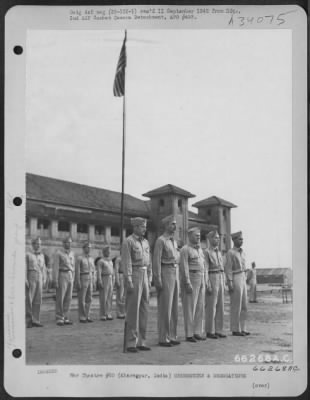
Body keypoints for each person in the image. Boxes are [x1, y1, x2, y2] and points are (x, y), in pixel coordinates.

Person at [121, 217, 152, 352]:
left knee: (144, 309)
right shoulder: (128, 241)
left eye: (145, 226)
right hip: (134, 274)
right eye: (142, 226)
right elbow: (127, 262)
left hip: (144, 275)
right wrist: (128, 280)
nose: (144, 229)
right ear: (135, 227)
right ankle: (130, 343)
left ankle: (142, 341)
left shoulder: (145, 242)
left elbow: (148, 262)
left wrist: (150, 278)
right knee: (133, 310)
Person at [153, 215, 180, 347]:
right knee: (165, 307)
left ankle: (172, 335)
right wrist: (157, 278)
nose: (175, 226)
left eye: (175, 224)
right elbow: (156, 260)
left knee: (174, 307)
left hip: (175, 272)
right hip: (165, 272)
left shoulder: (174, 242)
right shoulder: (161, 241)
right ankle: (163, 337)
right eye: (172, 224)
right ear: (166, 226)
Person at [179, 227, 208, 342]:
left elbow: (204, 265)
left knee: (200, 307)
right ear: (190, 236)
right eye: (196, 235)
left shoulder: (200, 250)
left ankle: (197, 331)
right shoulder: (185, 249)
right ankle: (189, 334)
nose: (199, 237)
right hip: (191, 277)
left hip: (200, 278)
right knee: (190, 307)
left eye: (199, 235)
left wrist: (205, 279)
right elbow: (184, 266)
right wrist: (187, 282)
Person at [224, 231, 250, 336]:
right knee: (236, 304)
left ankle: (243, 328)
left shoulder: (243, 252)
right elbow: (228, 268)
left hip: (243, 276)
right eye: (239, 239)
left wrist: (246, 278)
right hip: (235, 277)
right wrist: (229, 282)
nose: (241, 241)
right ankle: (235, 329)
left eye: (242, 239)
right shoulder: (230, 253)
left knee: (244, 305)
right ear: (234, 240)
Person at [204, 231, 227, 339]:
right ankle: (210, 330)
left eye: (218, 238)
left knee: (220, 305)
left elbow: (223, 267)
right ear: (210, 239)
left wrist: (225, 280)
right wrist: (207, 283)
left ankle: (219, 329)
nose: (217, 240)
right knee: (211, 305)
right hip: (212, 276)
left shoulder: (219, 252)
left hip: (220, 276)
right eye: (215, 238)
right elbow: (206, 269)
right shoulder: (207, 252)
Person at [54, 236, 75, 326]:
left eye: (70, 242)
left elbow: (73, 266)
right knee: (60, 297)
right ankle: (59, 317)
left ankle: (66, 316)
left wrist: (73, 277)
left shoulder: (72, 254)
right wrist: (55, 279)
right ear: (63, 244)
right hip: (62, 274)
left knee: (68, 298)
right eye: (66, 242)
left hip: (70, 275)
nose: (68, 244)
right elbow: (56, 267)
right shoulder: (58, 253)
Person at [25, 237, 46, 328]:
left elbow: (43, 268)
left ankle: (36, 320)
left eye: (39, 244)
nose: (38, 245)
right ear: (33, 245)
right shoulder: (28, 254)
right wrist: (25, 279)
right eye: (36, 244)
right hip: (31, 275)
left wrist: (44, 278)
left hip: (39, 276)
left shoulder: (42, 255)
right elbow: (25, 267)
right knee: (29, 299)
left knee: (38, 300)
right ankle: (28, 321)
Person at [75, 241, 95, 323]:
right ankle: (82, 316)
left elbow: (93, 270)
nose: (89, 249)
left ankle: (87, 315)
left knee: (89, 298)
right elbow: (77, 271)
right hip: (83, 276)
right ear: (84, 248)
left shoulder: (91, 258)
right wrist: (78, 281)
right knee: (82, 298)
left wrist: (94, 280)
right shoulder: (80, 258)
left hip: (90, 277)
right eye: (87, 247)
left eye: (90, 247)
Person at [97, 245, 114, 321]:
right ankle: (103, 314)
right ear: (104, 252)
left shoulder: (110, 261)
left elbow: (112, 271)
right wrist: (99, 280)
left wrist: (113, 280)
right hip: (104, 278)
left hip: (110, 278)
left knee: (110, 297)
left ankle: (108, 313)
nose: (109, 253)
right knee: (104, 297)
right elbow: (99, 272)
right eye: (108, 251)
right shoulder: (101, 261)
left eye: (110, 251)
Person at [114, 252, 126, 319]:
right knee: (120, 295)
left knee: (125, 296)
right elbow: (116, 270)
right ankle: (119, 312)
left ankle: (123, 312)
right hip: (120, 275)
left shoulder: (127, 258)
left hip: (126, 276)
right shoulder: (118, 259)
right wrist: (117, 279)